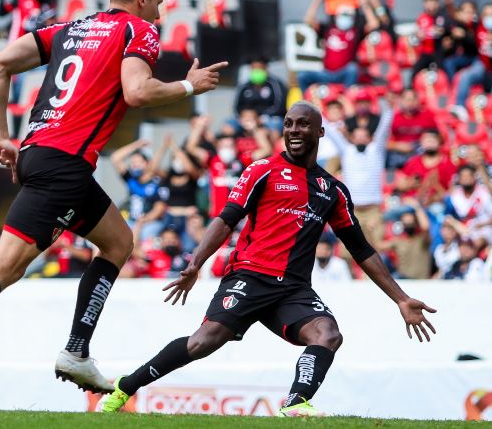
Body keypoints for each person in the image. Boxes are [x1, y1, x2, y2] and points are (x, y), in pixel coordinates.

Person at [0, 0, 228, 408]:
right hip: (65, 165)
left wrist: (0, 136)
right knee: (6, 265)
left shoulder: (71, 29)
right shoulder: (139, 30)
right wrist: (188, 86)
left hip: (41, 154)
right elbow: (137, 92)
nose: (159, 12)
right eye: (157, 1)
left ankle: (76, 351)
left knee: (118, 241)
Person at [99, 102, 437, 416]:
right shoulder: (262, 169)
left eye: (302, 124)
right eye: (288, 124)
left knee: (328, 334)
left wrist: (401, 298)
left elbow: (361, 249)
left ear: (320, 132)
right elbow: (226, 219)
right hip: (250, 276)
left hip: (293, 289)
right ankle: (125, 386)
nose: (293, 130)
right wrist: (195, 263)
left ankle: (295, 403)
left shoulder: (332, 190)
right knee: (204, 341)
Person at [322, 94, 394, 257]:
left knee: (376, 251)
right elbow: (330, 132)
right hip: (352, 211)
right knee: (346, 253)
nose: (361, 138)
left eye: (364, 135)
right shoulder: (346, 151)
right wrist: (314, 111)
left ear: (370, 138)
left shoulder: (376, 150)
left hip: (373, 210)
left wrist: (388, 109)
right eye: (357, 135)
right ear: (352, 138)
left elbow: (383, 129)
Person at [299, 0, 379, 92]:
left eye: (349, 16)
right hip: (326, 73)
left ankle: (348, 97)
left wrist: (364, 4)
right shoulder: (328, 29)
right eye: (343, 15)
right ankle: (307, 99)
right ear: (337, 16)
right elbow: (308, 21)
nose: (345, 18)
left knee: (353, 69)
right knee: (303, 75)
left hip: (344, 74)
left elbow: (374, 24)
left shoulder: (356, 32)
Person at [233, 58, 288, 134]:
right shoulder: (244, 86)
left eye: (259, 68)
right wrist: (244, 116)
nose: (257, 71)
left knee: (274, 128)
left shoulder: (276, 84)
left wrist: (260, 117)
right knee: (229, 126)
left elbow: (280, 107)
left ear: (266, 68)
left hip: (270, 118)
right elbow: (237, 107)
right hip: (246, 118)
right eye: (254, 68)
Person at [387, 88, 438, 169]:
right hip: (398, 152)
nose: (410, 102)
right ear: (401, 100)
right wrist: (397, 146)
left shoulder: (427, 116)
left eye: (413, 99)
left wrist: (425, 142)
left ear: (418, 101)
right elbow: (381, 141)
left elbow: (439, 137)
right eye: (407, 99)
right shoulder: (393, 118)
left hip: (421, 151)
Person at [412, 0, 451, 80]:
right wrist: (418, 35)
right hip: (425, 51)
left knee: (442, 73)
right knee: (415, 72)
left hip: (438, 51)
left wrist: (443, 32)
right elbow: (416, 34)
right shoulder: (421, 17)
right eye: (428, 4)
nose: (431, 7)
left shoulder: (442, 17)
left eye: (433, 4)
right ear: (424, 4)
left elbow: (448, 30)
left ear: (437, 4)